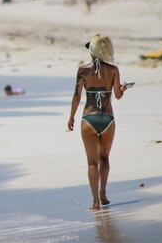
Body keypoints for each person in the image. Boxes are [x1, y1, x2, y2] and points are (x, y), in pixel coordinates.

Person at [67, 34, 128, 210]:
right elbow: (117, 95)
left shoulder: (83, 70)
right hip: (108, 119)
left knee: (92, 163)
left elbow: (77, 96)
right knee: (105, 158)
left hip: (89, 118)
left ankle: (95, 202)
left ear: (92, 51)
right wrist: (122, 88)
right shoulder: (114, 70)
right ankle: (103, 193)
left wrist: (71, 116)